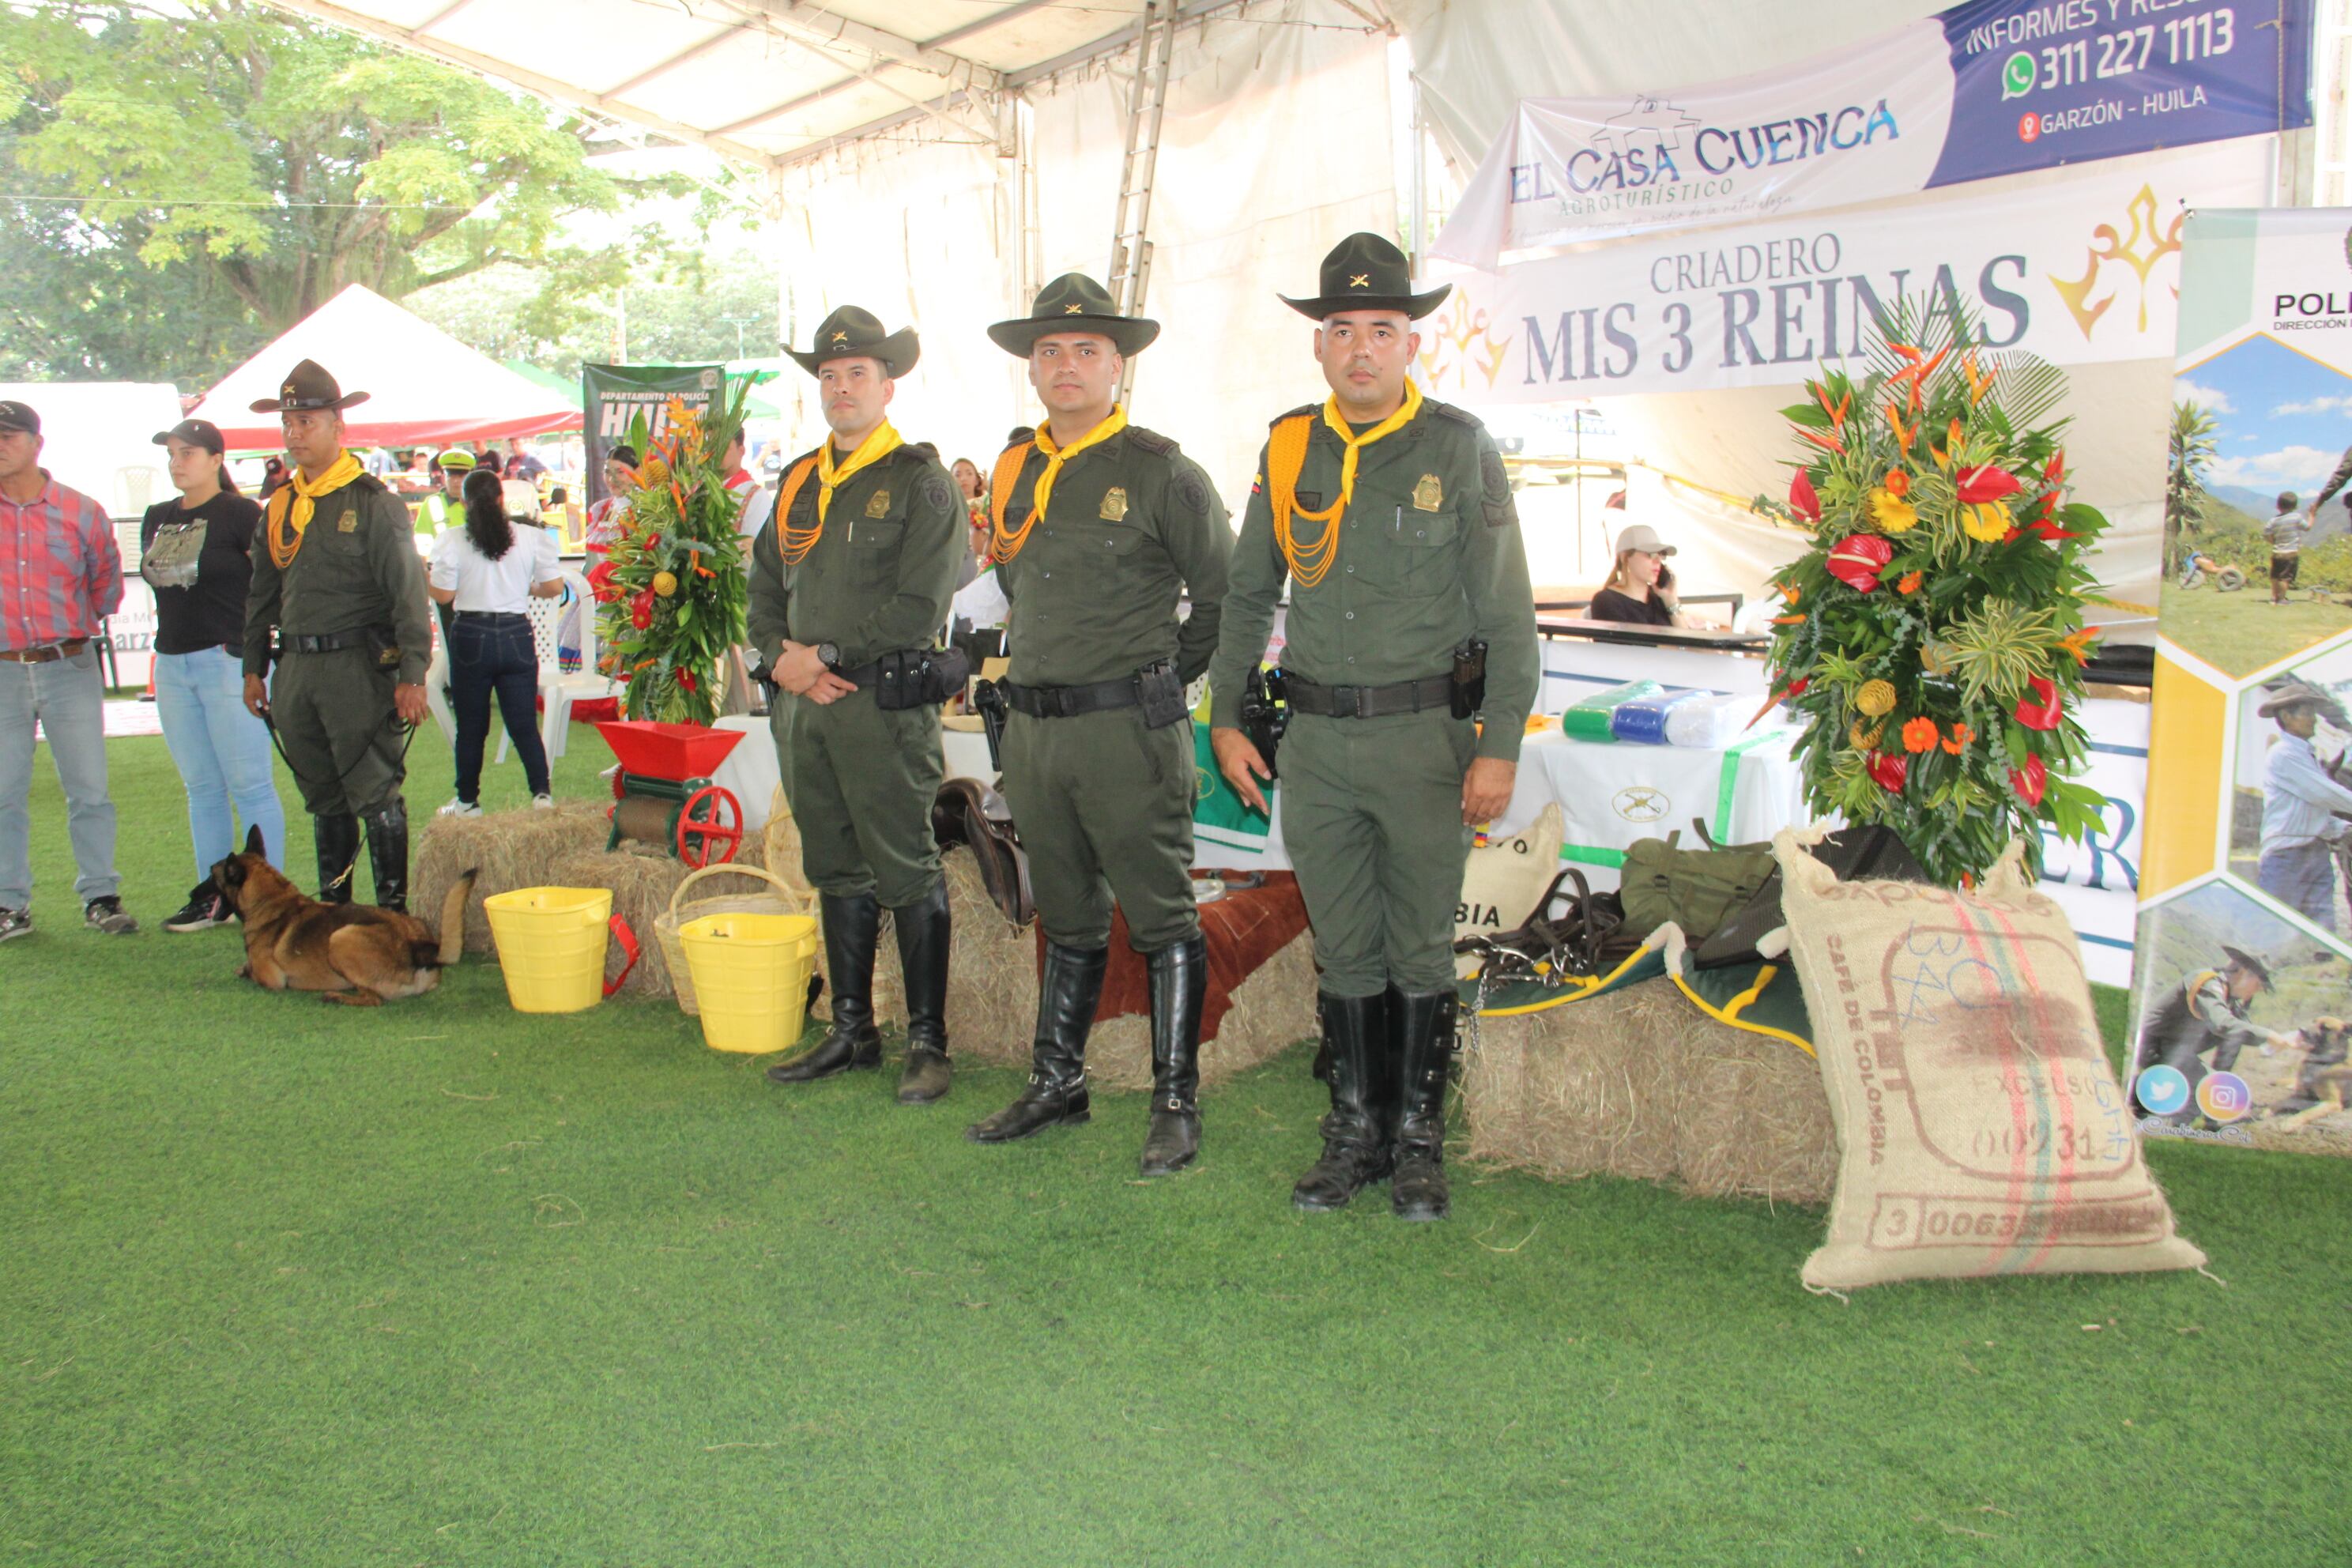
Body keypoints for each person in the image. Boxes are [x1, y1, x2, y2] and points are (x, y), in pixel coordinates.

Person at [1208, 232, 1539, 1219]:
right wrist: (1227, 716)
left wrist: (1501, 742)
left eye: (1382, 330)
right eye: (1342, 330)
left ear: (1410, 342)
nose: (1360, 348)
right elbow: (1244, 596)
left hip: (1424, 747)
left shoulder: (1458, 447)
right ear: (1319, 346)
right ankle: (1354, 1132)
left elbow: (1506, 614)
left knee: (1421, 951)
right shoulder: (1286, 449)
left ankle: (1419, 1144)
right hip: (1316, 747)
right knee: (1346, 950)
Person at [964, 273, 1233, 1176]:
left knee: (1160, 916)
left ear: (1119, 364)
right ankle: (1057, 1082)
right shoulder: (1015, 471)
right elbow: (1014, 584)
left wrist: (1164, 677)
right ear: (1031, 370)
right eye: (1049, 352)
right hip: (1035, 734)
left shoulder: (1162, 472)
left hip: (1127, 733)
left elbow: (1224, 601)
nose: (1066, 365)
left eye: (1085, 350)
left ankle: (1174, 1099)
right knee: (1069, 912)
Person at [747, 307, 963, 1106]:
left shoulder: (919, 482)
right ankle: (851, 1029)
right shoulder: (801, 478)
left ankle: (930, 1043)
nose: (841, 388)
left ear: (888, 384)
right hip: (804, 709)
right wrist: (782, 660)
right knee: (832, 865)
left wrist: (825, 657)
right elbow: (764, 585)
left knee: (905, 865)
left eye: (857, 375)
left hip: (880, 706)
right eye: (830, 376)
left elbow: (919, 604)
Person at [241, 360, 433, 911]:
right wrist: (254, 666)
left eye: (308, 422)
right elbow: (262, 594)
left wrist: (412, 676)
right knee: (323, 797)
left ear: (337, 427)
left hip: (357, 669)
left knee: (374, 792)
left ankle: (393, 917)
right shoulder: (280, 506)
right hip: (296, 669)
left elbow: (407, 596)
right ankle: (334, 913)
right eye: (289, 423)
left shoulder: (374, 502)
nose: (295, 433)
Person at [0, 398, 136, 940]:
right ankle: (9, 904)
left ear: (37, 443)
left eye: (10, 436)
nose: (1, 446)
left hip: (68, 662)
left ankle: (101, 895)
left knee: (89, 789)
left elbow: (106, 584)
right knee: (3, 793)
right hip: (3, 669)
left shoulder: (81, 511)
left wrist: (74, 627)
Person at [142, 417, 286, 929]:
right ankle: (214, 894)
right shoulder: (157, 516)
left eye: (188, 453)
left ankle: (266, 898)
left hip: (228, 661)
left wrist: (259, 659)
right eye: (173, 453)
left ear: (216, 459)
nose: (177, 462)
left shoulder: (240, 512)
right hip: (173, 662)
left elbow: (272, 583)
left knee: (250, 784)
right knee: (201, 785)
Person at [428, 469, 560, 816]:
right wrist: (526, 588)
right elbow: (554, 588)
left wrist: (420, 574)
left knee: (472, 727)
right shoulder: (531, 537)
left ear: (464, 502)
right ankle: (542, 793)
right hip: (516, 634)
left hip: (471, 635)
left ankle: (468, 801)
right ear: (502, 498)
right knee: (523, 723)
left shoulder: (453, 539)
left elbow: (443, 594)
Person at [2134, 947, 2295, 1121]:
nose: (2255, 992)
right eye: (2257, 985)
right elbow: (2223, 1025)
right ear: (2242, 973)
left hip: (2175, 1049)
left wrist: (2219, 1083)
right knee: (2195, 1091)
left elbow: (2236, 1036)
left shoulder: (2231, 999)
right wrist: (2267, 1035)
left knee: (2211, 1090)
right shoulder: (2207, 983)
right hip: (2152, 1045)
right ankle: (2140, 1097)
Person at [2255, 684, 2352, 932]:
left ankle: (2322, 965)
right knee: (2274, 929)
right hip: (2287, 856)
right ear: (2287, 717)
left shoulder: (2307, 757)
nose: (2315, 720)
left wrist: (2343, 827)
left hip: (2316, 853)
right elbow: (2324, 794)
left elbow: (2314, 812)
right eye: (2308, 713)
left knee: (2321, 930)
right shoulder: (2284, 755)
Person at [1588, 522, 1687, 628]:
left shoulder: (1659, 599)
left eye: (1661, 555)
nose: (1658, 560)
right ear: (1625, 557)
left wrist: (1671, 601)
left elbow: (1688, 642)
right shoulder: (1606, 601)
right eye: (1650, 554)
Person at [2266, 491, 2306, 606]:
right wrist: (2312, 515)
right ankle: (2282, 599)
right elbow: (2306, 527)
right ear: (2296, 506)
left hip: (2276, 552)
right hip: (2290, 554)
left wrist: (2273, 541)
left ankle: (2273, 598)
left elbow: (2266, 532)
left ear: (2278, 506)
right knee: (2285, 578)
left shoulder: (2273, 520)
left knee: (2275, 576)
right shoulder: (2296, 517)